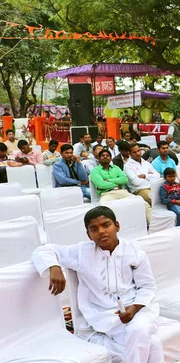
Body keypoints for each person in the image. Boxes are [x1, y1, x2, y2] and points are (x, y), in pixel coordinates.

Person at [31, 206, 166, 362]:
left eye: (106, 225)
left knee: (139, 329)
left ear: (117, 226)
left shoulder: (135, 253)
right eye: (94, 229)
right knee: (152, 342)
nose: (101, 231)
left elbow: (147, 286)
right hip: (103, 314)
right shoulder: (82, 253)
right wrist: (54, 267)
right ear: (89, 235)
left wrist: (134, 308)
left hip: (137, 309)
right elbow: (43, 250)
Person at [90, 149, 152, 223]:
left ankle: (154, 227)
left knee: (143, 203)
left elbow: (125, 180)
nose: (105, 157)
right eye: (103, 156)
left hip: (122, 192)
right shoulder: (95, 171)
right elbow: (101, 185)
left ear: (110, 158)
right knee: (102, 209)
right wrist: (118, 182)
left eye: (107, 155)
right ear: (99, 159)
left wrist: (109, 180)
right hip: (107, 194)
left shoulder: (116, 168)